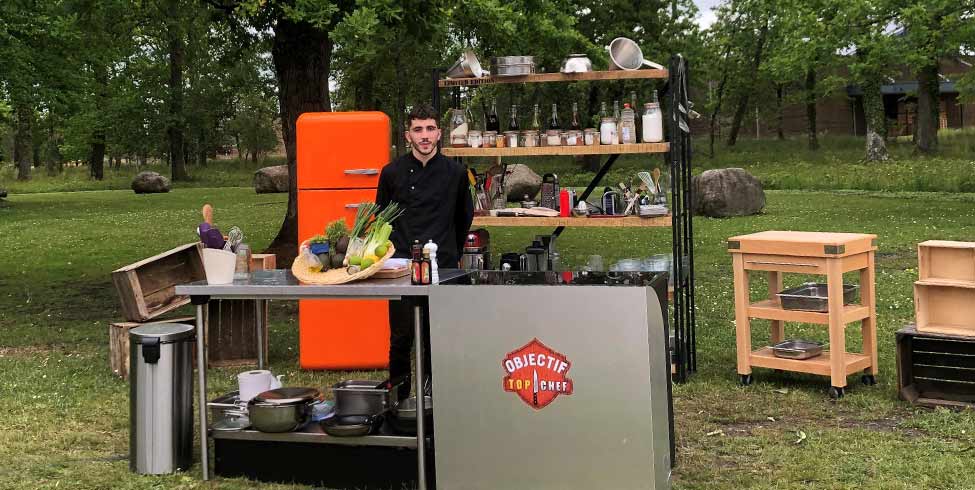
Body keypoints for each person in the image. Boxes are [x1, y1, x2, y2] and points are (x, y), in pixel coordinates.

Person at [376, 103, 474, 399]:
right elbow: (381, 218)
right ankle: (400, 398)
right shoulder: (391, 173)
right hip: (401, 266)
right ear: (408, 135)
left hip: (440, 266)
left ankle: (438, 402)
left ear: (439, 134)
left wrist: (449, 253)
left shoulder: (456, 173)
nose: (424, 135)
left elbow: (463, 217)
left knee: (436, 337)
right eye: (418, 129)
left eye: (430, 129)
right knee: (401, 337)